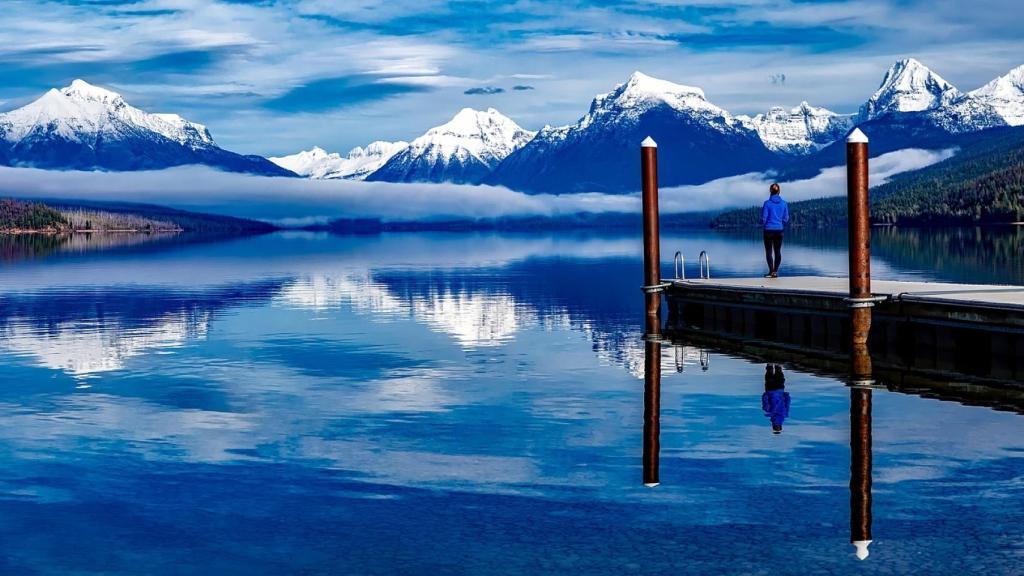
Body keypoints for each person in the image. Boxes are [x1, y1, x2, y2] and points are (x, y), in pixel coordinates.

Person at [761, 183, 789, 278]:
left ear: (770, 191)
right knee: (777, 251)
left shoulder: (767, 203)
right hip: (779, 230)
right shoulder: (784, 203)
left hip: (768, 230)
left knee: (769, 251)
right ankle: (775, 271)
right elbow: (786, 218)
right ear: (779, 191)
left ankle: (771, 271)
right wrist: (780, 224)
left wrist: (765, 224)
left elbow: (763, 218)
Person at [761, 364, 790, 434]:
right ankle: (770, 363)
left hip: (780, 389)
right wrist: (766, 394)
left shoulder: (785, 414)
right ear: (773, 425)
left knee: (779, 373)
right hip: (770, 390)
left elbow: (788, 402)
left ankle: (778, 363)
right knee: (769, 374)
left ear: (781, 425)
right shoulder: (769, 412)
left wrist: (786, 395)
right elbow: (765, 400)